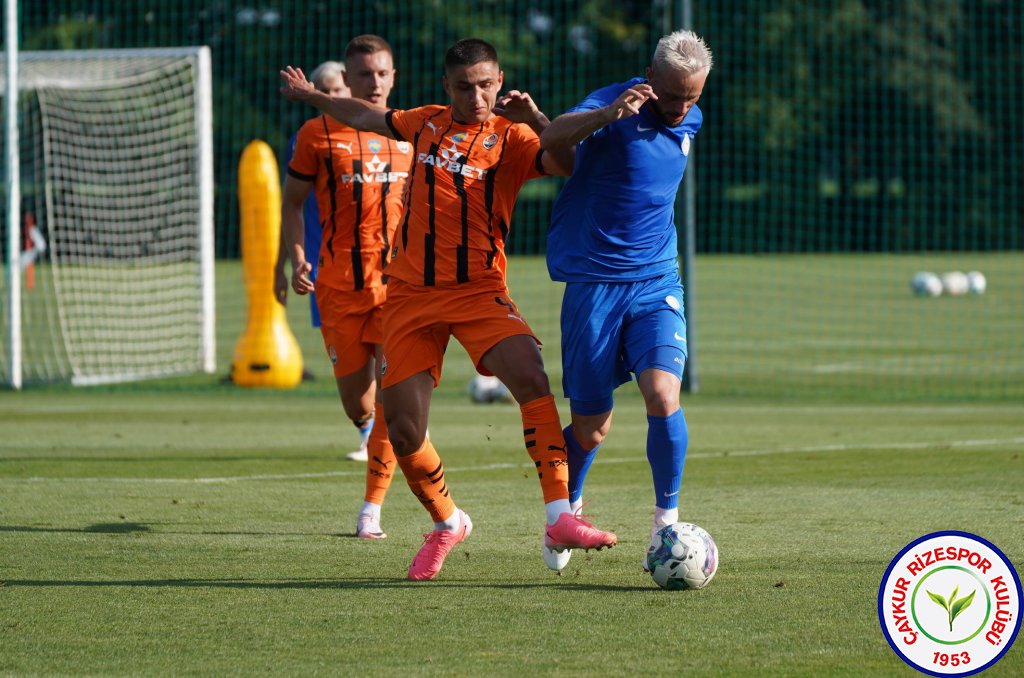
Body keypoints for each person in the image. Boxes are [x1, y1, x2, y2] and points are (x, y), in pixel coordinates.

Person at [280, 37, 618, 581]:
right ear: (446, 87)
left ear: (501, 80)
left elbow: (567, 161)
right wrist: (310, 97)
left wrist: (541, 114)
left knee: (531, 377)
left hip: (479, 289)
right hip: (410, 296)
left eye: (486, 85)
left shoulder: (513, 136)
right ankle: (447, 523)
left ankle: (559, 515)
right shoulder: (424, 122)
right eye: (464, 87)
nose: (477, 96)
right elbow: (363, 113)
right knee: (405, 431)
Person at [538, 30, 712, 571]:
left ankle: (667, 523)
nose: (683, 107)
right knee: (592, 425)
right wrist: (609, 114)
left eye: (694, 95)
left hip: (657, 279)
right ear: (650, 77)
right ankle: (564, 513)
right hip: (593, 284)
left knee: (663, 394)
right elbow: (554, 141)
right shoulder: (615, 101)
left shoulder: (692, 120)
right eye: (674, 95)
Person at [281, 36, 412, 539]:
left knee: (391, 402)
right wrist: (296, 256)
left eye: (382, 74)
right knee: (359, 404)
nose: (374, 83)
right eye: (364, 75)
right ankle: (372, 470)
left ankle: (370, 509)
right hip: (337, 289)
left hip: (397, 290)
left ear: (393, 77)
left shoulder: (411, 132)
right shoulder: (315, 133)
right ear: (348, 80)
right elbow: (292, 203)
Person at [275, 60, 373, 460]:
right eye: (325, 92)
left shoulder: (386, 131)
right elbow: (290, 207)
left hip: (385, 274)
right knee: (356, 394)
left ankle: (390, 434)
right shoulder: (309, 141)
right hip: (326, 273)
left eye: (338, 90)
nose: (333, 98)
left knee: (394, 368)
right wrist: (283, 266)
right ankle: (368, 426)